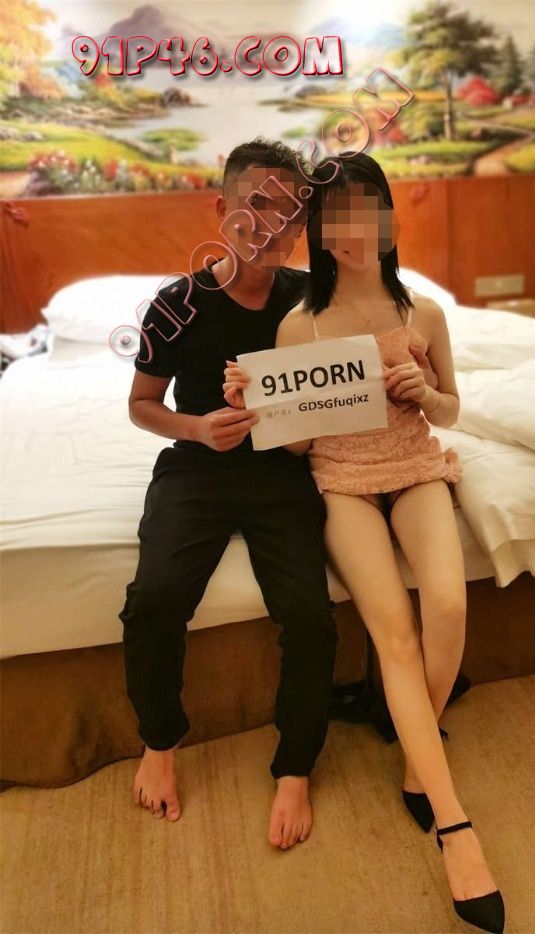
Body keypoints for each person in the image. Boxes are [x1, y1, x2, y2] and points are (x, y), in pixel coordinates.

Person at [224, 152, 505, 932]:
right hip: (343, 478)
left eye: (367, 209)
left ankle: (418, 765)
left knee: (448, 605)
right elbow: (291, 445)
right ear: (318, 228)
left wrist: (428, 392)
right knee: (395, 635)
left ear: (387, 216)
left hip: (413, 464)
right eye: (335, 214)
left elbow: (451, 411)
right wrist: (258, 404)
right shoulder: (300, 324)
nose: (352, 229)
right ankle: (456, 828)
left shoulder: (426, 314)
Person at [119, 138, 338, 850]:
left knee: (310, 614)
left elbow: (333, 387)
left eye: (292, 213)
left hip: (282, 469)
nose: (274, 225)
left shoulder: (311, 297)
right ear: (223, 209)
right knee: (154, 599)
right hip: (198, 464)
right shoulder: (177, 304)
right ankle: (160, 741)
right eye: (258, 205)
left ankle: (296, 765)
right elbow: (141, 405)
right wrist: (196, 427)